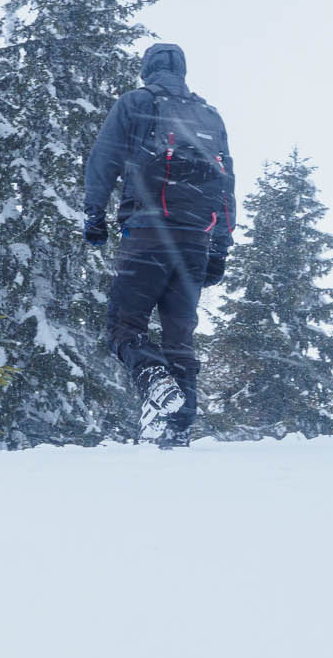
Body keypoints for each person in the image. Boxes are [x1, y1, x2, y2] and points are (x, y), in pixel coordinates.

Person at [82, 42, 236, 448]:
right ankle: (178, 430)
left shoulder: (136, 103)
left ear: (146, 70)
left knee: (124, 327)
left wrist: (94, 215)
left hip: (147, 235)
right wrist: (220, 246)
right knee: (179, 339)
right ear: (183, 71)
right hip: (195, 243)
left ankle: (153, 379)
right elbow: (226, 183)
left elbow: (104, 160)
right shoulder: (210, 115)